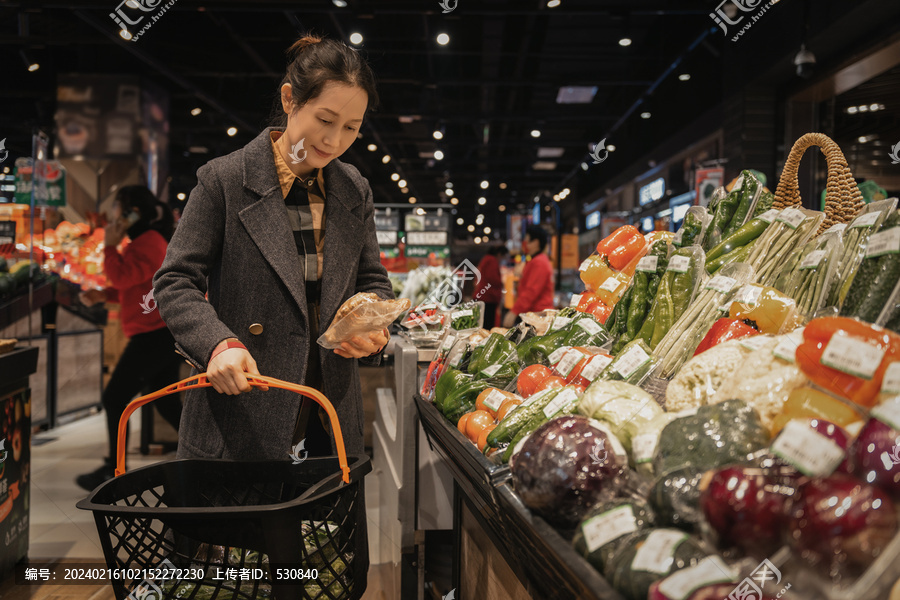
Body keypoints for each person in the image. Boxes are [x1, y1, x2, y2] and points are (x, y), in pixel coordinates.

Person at [152, 35, 392, 586]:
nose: (335, 140)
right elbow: (176, 281)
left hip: (326, 414)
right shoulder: (224, 181)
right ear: (289, 100)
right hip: (241, 411)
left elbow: (372, 280)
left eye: (351, 128)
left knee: (319, 575)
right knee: (230, 576)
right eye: (324, 119)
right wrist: (218, 343)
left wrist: (373, 324)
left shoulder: (353, 187)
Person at [76, 186, 183, 491]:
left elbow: (123, 277)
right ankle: (207, 455)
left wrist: (109, 246)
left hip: (154, 336)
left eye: (118, 207)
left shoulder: (148, 243)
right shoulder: (146, 241)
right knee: (165, 403)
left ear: (131, 211)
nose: (113, 214)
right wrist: (104, 295)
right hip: (157, 334)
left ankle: (114, 468)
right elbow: (136, 287)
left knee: (114, 398)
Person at [502, 225, 554, 327]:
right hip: (534, 314)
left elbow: (531, 291)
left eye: (527, 241)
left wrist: (514, 312)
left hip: (538, 316)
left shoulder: (539, 262)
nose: (524, 244)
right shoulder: (535, 260)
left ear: (536, 242)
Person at [475, 245, 508, 329]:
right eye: (503, 257)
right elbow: (493, 279)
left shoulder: (487, 259)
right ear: (499, 254)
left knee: (482, 323)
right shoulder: (491, 260)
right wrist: (501, 283)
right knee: (487, 325)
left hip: (484, 295)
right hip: (488, 297)